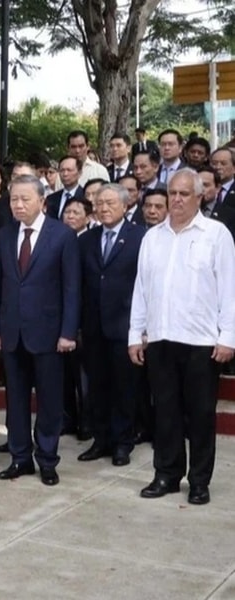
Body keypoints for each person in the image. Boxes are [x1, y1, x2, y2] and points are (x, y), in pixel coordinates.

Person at [129, 169, 235, 506]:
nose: (176, 199)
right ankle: (167, 474)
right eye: (172, 193)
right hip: (161, 338)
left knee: (201, 414)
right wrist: (135, 334)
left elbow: (229, 289)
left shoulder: (216, 235)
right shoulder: (152, 237)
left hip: (202, 341)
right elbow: (141, 290)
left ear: (200, 196)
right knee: (166, 412)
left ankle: (200, 481)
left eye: (184, 194)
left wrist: (228, 336)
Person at [0, 174, 80, 487]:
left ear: (42, 201)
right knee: (15, 400)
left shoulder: (62, 235)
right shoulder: (3, 236)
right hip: (12, 332)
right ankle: (20, 458)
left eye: (25, 199)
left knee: (50, 400)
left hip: (49, 333)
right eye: (14, 199)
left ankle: (47, 459)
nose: (18, 204)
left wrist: (68, 331)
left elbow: (72, 288)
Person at [78, 183, 145, 467]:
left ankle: (122, 443)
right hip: (93, 326)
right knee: (97, 386)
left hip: (125, 326)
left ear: (126, 205)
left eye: (110, 203)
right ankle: (101, 439)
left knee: (124, 387)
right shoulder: (86, 239)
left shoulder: (140, 237)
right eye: (99, 203)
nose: (103, 208)